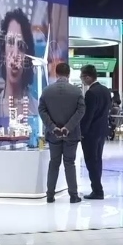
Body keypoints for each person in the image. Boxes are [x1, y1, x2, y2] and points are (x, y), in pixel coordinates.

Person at [38, 63, 85, 203]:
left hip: (54, 135)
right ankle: (73, 196)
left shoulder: (47, 91)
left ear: (56, 73)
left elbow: (42, 110)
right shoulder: (76, 92)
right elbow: (81, 111)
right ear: (69, 74)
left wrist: (53, 127)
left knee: (54, 163)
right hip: (71, 134)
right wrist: (68, 127)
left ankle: (50, 195)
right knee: (69, 163)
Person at [0, 9, 35, 118]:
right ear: (3, 51)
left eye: (21, 46)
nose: (15, 54)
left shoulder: (37, 109)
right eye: (10, 42)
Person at [80, 64, 111, 200]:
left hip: (91, 133)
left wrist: (82, 132)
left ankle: (97, 190)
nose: (81, 79)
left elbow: (88, 116)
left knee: (91, 161)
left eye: (82, 77)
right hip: (102, 130)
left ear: (88, 77)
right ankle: (97, 188)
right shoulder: (105, 90)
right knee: (97, 160)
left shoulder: (91, 93)